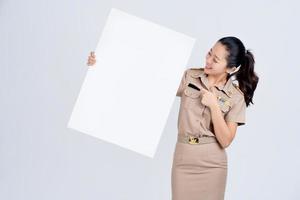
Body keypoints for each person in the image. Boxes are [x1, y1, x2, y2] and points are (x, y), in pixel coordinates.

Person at [86, 36, 259, 200]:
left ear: (231, 68)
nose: (208, 60)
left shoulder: (236, 97)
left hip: (213, 164)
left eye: (215, 60)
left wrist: (214, 106)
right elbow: (149, 81)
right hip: (184, 157)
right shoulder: (190, 76)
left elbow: (226, 140)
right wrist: (103, 64)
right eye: (209, 53)